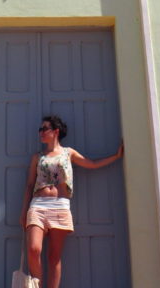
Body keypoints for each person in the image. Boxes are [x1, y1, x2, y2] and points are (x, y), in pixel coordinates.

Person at [20, 114, 123, 288]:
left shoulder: (69, 153)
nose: (40, 132)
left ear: (56, 131)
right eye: (40, 129)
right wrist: (24, 211)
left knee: (54, 258)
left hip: (60, 207)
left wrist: (116, 156)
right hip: (38, 206)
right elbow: (30, 185)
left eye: (44, 128)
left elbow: (91, 163)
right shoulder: (37, 157)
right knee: (33, 250)